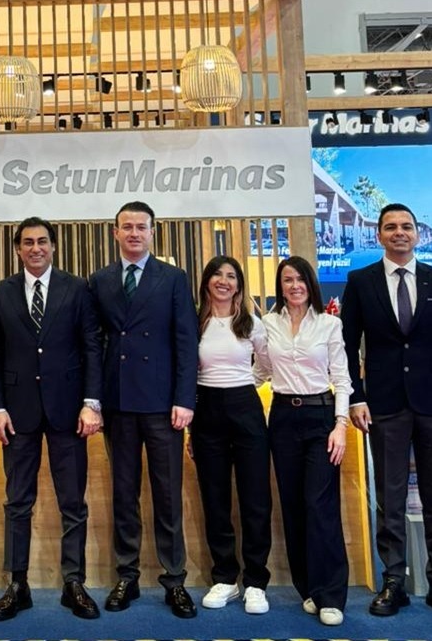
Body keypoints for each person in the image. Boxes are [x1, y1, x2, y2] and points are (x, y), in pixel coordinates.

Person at [340, 203, 432, 621]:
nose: (399, 233)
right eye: (391, 227)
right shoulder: (360, 282)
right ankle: (393, 580)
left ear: (418, 234)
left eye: (406, 227)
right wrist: (356, 397)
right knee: (390, 495)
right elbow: (347, 346)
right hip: (384, 404)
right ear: (378, 235)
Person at [0, 217, 103, 622]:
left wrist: (92, 403)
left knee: (73, 502)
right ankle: (17, 585)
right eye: (28, 242)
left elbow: (91, 347)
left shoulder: (77, 288)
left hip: (69, 410)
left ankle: (74, 583)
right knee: (17, 502)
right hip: (17, 413)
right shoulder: (1, 292)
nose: (36, 248)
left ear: (53, 246)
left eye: (43, 241)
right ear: (18, 249)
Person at [88, 201, 199, 619]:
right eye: (127, 227)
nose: (134, 233)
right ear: (115, 233)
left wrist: (185, 399)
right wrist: (93, 401)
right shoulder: (99, 281)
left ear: (153, 232)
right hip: (118, 403)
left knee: (168, 494)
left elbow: (186, 342)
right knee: (124, 493)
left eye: (141, 227)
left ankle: (175, 579)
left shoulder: (173, 278)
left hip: (163, 405)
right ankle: (127, 575)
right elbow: (93, 345)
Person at [256, 255, 351, 626]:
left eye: (300, 279)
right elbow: (262, 370)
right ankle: (308, 588)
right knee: (293, 505)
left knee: (319, 505)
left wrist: (340, 425)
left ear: (310, 284)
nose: (294, 286)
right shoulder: (268, 324)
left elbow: (341, 378)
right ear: (280, 286)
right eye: (287, 280)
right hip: (282, 418)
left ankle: (332, 594)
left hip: (321, 418)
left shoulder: (329, 324)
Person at [189, 255, 272, 615]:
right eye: (217, 275)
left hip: (246, 408)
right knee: (215, 498)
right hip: (206, 411)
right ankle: (225, 577)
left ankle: (255, 581)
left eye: (231, 276)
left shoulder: (251, 323)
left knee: (255, 499)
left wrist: (243, 385)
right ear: (207, 281)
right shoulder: (194, 322)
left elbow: (266, 364)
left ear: (239, 284)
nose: (224, 281)